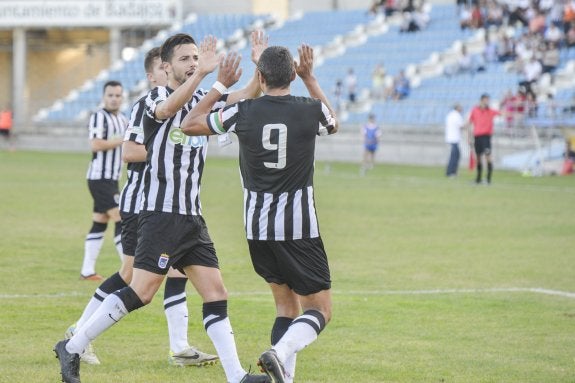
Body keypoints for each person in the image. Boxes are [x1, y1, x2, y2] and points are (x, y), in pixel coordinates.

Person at [54, 32, 271, 383]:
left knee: (216, 292)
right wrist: (207, 77)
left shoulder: (204, 99)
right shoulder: (152, 98)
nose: (192, 64)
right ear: (166, 67)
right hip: (160, 212)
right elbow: (166, 110)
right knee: (141, 291)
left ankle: (237, 376)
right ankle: (74, 346)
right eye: (185, 59)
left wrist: (259, 63)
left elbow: (247, 94)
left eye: (195, 59)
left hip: (191, 216)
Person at [181, 43, 338, 383]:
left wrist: (221, 84)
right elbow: (332, 122)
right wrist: (310, 79)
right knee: (320, 310)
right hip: (298, 228)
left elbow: (190, 123)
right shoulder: (310, 109)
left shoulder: (244, 112)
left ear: (260, 77)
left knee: (286, 307)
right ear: (293, 75)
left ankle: (285, 377)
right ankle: (279, 353)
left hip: (258, 228)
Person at [63, 47, 217, 367]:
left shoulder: (177, 106)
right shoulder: (148, 106)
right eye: (168, 70)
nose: (178, 76)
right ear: (154, 75)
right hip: (142, 201)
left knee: (165, 271)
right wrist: (173, 151)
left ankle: (179, 346)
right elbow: (130, 153)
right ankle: (79, 335)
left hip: (165, 204)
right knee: (133, 275)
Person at [81, 80, 128, 280]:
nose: (114, 99)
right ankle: (129, 270)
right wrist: (123, 140)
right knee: (120, 217)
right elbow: (96, 144)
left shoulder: (124, 120)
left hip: (112, 179)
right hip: (99, 178)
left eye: (118, 95)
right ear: (104, 97)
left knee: (100, 220)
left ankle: (87, 271)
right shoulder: (99, 117)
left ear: (122, 97)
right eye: (110, 95)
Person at [468, 94, 500, 184]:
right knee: (478, 157)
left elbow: (501, 113)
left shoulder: (491, 111)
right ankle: (478, 179)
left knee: (488, 156)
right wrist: (469, 137)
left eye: (488, 100)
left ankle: (488, 179)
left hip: (486, 137)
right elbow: (470, 123)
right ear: (481, 100)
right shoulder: (474, 110)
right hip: (477, 137)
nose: (487, 102)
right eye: (486, 100)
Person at [445, 103, 464, 177]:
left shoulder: (450, 115)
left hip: (450, 138)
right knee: (454, 156)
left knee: (455, 155)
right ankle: (451, 172)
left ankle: (452, 171)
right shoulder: (457, 116)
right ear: (457, 108)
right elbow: (461, 126)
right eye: (460, 107)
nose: (462, 109)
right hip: (454, 139)